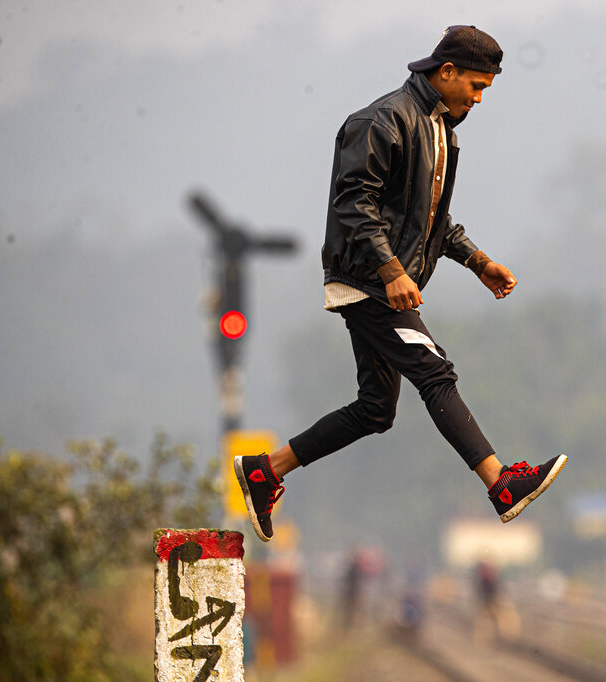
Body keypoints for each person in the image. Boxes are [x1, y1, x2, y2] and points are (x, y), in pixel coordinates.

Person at [234, 25, 567, 542]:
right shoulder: (382, 120)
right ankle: (501, 482)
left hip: (386, 281)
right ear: (447, 71)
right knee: (435, 372)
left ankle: (265, 472)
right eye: (475, 87)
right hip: (368, 281)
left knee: (375, 409)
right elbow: (353, 204)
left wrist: (478, 262)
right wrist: (391, 272)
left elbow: (431, 219)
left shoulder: (441, 130)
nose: (479, 99)